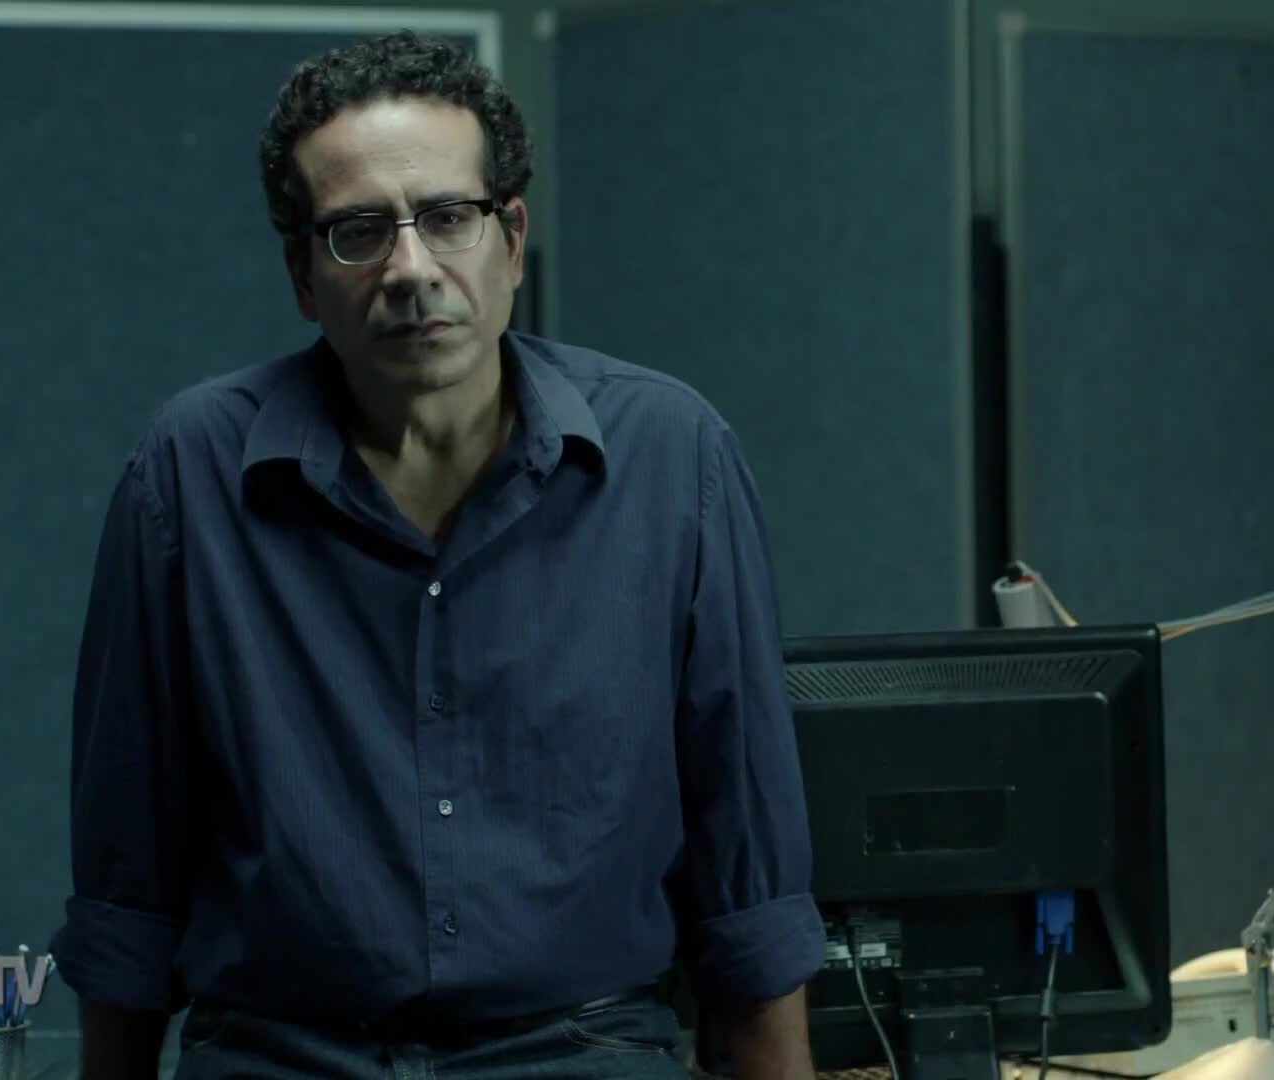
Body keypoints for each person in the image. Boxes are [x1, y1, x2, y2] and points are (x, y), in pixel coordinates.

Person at [49, 30, 824, 1080]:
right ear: (301, 276)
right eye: (358, 232)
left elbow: (750, 871)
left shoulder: (672, 457)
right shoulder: (187, 474)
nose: (410, 270)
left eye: (447, 218)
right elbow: (126, 875)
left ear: (510, 237)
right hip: (281, 1057)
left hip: (579, 1052)